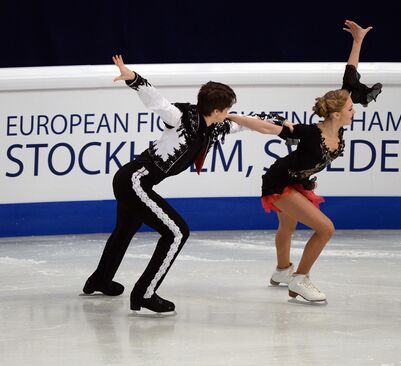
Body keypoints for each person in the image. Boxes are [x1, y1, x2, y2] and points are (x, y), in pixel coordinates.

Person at [82, 55, 284, 314]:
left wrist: (279, 123)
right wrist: (132, 78)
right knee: (177, 232)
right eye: (227, 109)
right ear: (216, 110)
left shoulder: (213, 128)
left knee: (124, 230)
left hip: (136, 181)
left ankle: (99, 280)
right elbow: (157, 101)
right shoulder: (182, 118)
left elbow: (246, 124)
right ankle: (145, 293)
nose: (229, 114)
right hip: (135, 180)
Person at [226, 20, 381, 303]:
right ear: (335, 115)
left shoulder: (339, 126)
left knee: (287, 227)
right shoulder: (310, 133)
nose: (353, 110)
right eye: (349, 109)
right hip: (279, 182)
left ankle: (281, 271)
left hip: (298, 180)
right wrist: (231, 117)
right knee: (325, 228)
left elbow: (350, 76)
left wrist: (357, 41)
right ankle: (299, 280)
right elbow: (267, 128)